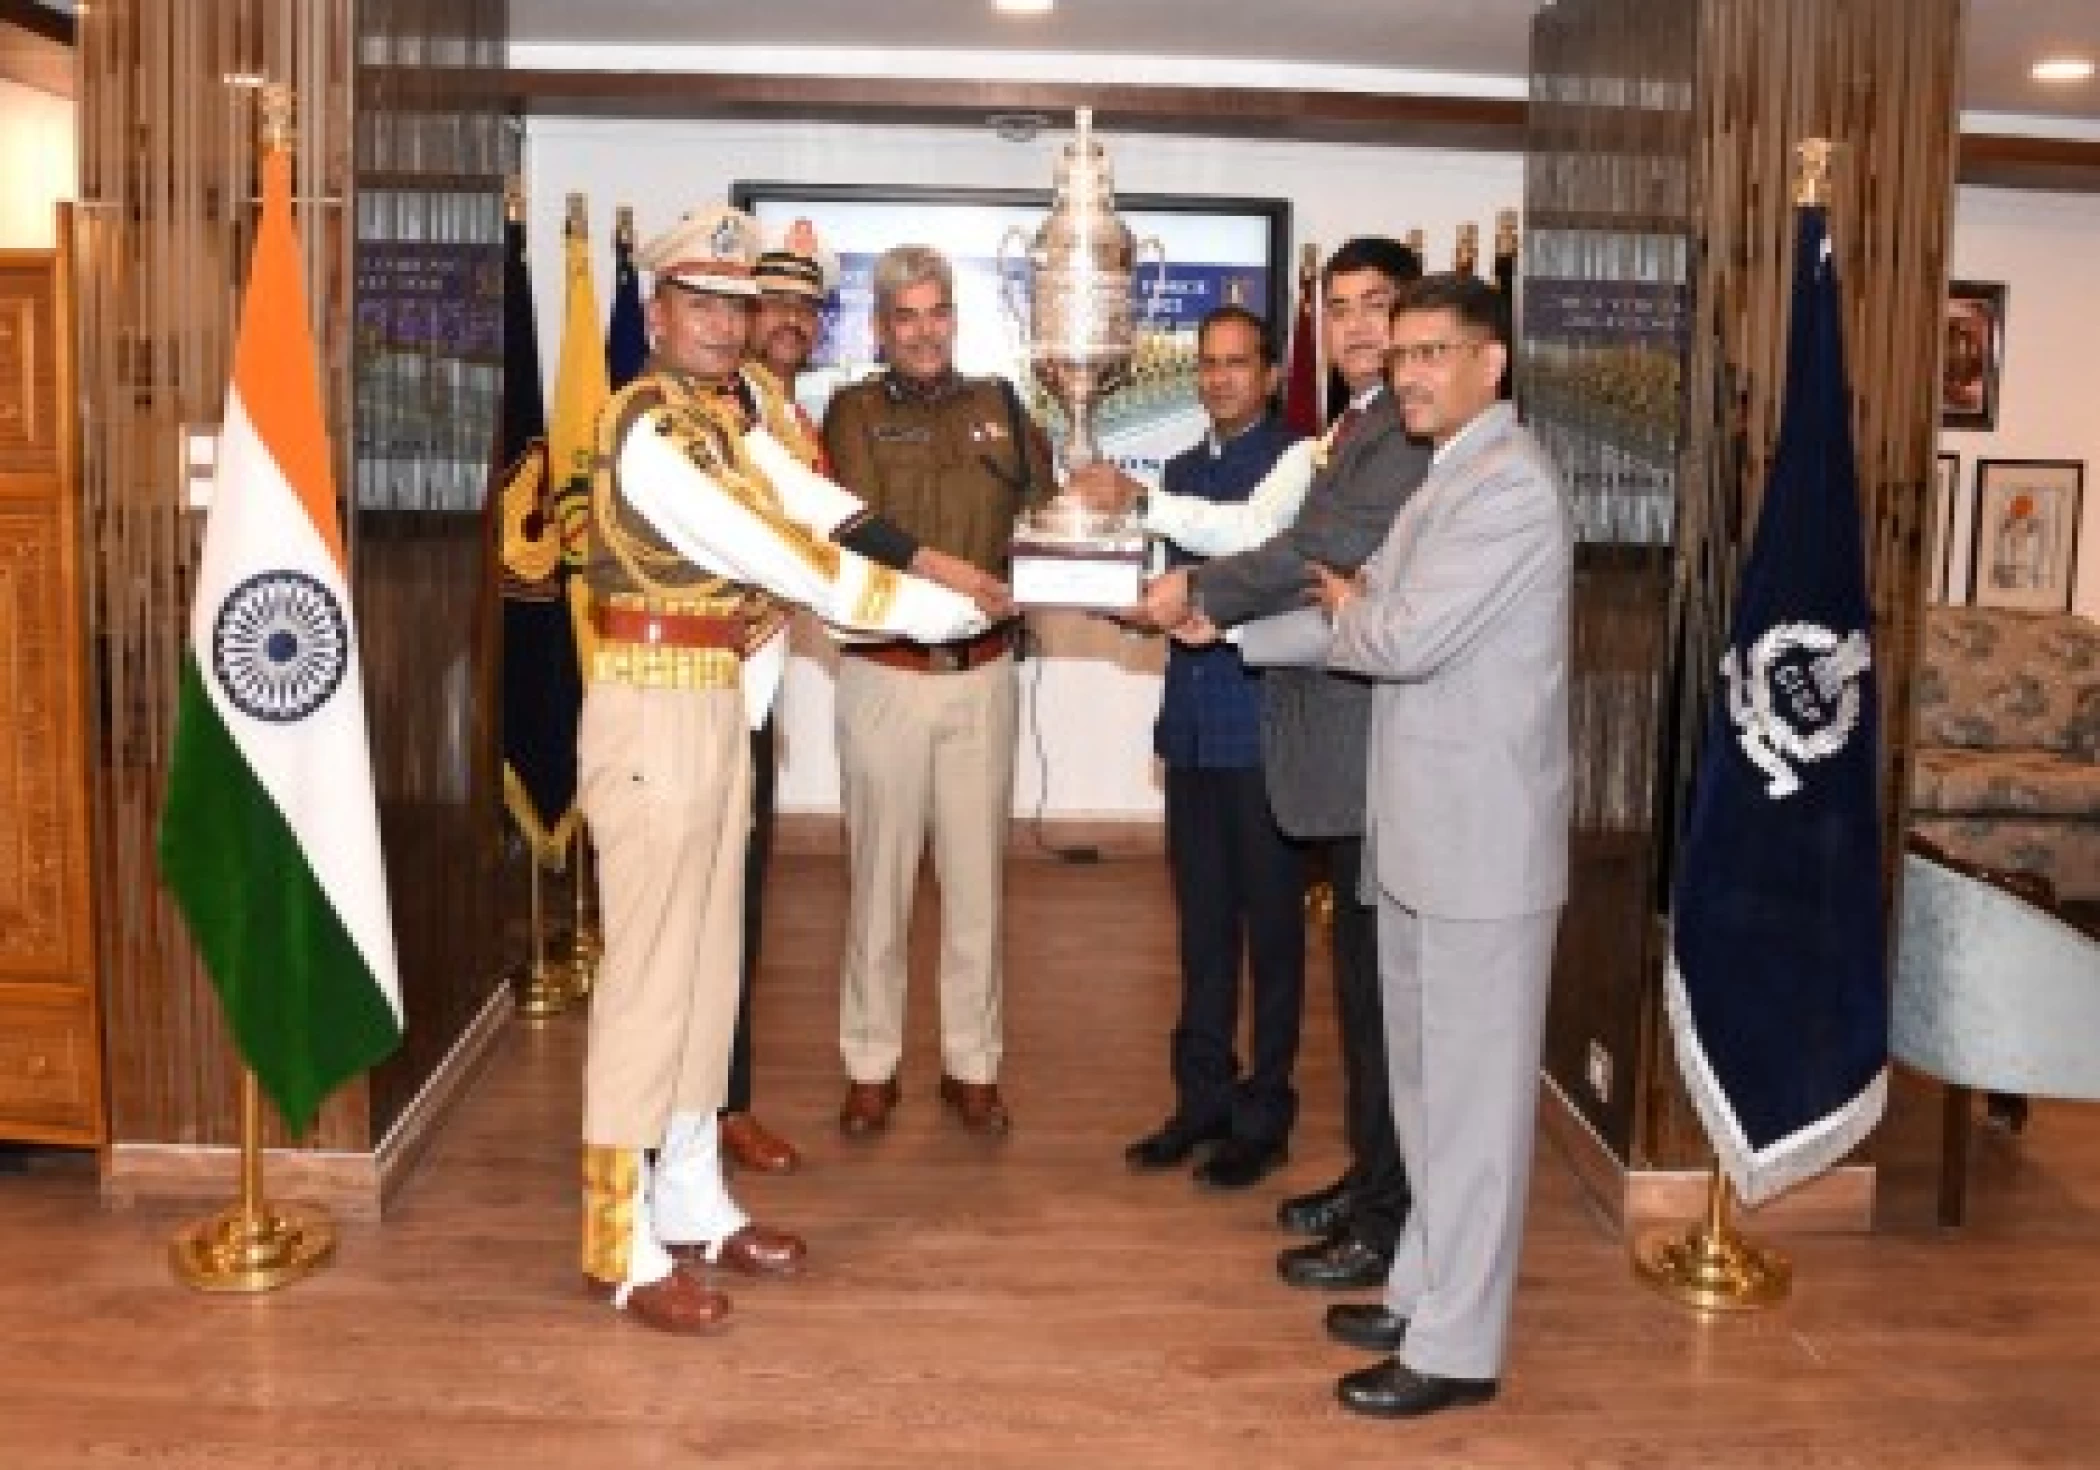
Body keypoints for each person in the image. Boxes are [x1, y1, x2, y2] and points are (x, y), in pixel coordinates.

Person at [575, 204, 998, 1335]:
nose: (721, 325)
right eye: (698, 304)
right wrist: (945, 605)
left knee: (711, 973)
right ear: (657, 313)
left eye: (734, 305)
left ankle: (693, 1198)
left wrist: (949, 569)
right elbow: (782, 555)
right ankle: (618, 1241)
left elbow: (818, 503)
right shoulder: (652, 430)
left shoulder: (724, 422)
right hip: (650, 711)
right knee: (649, 981)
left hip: (716, 703)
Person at [1237, 273, 1571, 1417]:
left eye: (1436, 352)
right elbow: (1367, 607)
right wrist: (1262, 620)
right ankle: (1424, 1288)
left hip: (1482, 848)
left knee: (1472, 1112)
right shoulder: (1448, 476)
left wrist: (1350, 606)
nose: (1409, 370)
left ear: (1493, 366)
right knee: (1426, 1097)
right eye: (1405, 352)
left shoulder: (1508, 487)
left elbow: (1401, 632)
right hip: (1423, 834)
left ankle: (1458, 1351)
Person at [1132, 238, 1427, 1292]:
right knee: (1219, 939)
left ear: (1267, 373)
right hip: (1226, 728)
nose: (1354, 326)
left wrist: (1200, 596)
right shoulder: (1353, 432)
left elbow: (1289, 548)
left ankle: (1318, 1155)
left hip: (1306, 739)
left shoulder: (1343, 446)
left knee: (1314, 962)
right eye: (1338, 306)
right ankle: (1338, 1167)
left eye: (1374, 306)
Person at [820, 245, 1056, 1138]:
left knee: (976, 890)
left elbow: (1046, 512)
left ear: (955, 316)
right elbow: (859, 530)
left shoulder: (1001, 405)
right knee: (877, 889)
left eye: (937, 312)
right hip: (887, 679)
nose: (924, 331)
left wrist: (1088, 522)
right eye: (905, 316)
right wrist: (958, 575)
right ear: (881, 327)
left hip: (984, 679)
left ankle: (973, 1066)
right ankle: (871, 1065)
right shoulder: (851, 412)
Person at [1110, 305, 1309, 1190]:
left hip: (1263, 728)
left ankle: (1264, 1115)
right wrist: (1104, 591)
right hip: (1190, 729)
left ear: (1270, 374)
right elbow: (1152, 586)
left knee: (1270, 934)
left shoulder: (1301, 463)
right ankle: (1200, 1104)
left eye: (1238, 363)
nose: (1220, 377)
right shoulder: (1185, 467)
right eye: (1208, 363)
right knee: (1200, 931)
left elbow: (1252, 554)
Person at [712, 218, 841, 1176]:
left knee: (741, 909)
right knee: (710, 914)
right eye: (774, 302)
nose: (790, 318)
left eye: (806, 304)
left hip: (753, 685)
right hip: (700, 685)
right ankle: (701, 1110)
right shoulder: (727, 412)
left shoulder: (792, 418)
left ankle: (723, 1103)